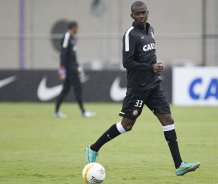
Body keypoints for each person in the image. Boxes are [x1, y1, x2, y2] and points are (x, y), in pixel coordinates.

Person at [86, 1, 200, 176]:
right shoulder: (130, 35)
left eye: (143, 12)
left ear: (148, 12)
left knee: (168, 120)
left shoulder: (150, 30)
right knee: (127, 125)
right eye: (137, 13)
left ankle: (179, 165)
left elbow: (148, 55)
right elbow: (127, 63)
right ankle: (94, 148)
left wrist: (154, 67)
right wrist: (150, 68)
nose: (141, 16)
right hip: (138, 88)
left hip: (153, 85)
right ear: (131, 15)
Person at [54, 21, 93, 118]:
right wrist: (62, 69)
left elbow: (72, 56)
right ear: (73, 28)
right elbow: (63, 53)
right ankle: (83, 112)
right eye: (77, 28)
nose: (77, 30)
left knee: (66, 90)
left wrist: (78, 66)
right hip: (69, 70)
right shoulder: (66, 36)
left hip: (73, 68)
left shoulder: (72, 38)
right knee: (77, 89)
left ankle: (56, 111)